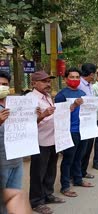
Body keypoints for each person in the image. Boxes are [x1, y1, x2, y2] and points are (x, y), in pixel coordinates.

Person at [27, 71, 65, 214]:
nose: (48, 84)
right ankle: (36, 201)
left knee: (51, 168)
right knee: (38, 172)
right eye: (44, 81)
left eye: (49, 81)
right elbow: (27, 123)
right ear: (33, 83)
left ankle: (48, 194)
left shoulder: (48, 97)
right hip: (39, 141)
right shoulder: (30, 99)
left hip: (53, 139)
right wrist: (43, 115)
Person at [55, 67, 94, 198]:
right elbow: (58, 114)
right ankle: (65, 186)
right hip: (69, 131)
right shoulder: (61, 95)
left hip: (82, 129)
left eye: (77, 77)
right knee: (68, 159)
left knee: (79, 156)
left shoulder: (82, 93)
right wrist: (73, 106)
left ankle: (78, 179)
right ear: (66, 79)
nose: (75, 80)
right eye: (72, 77)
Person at [0, 71, 23, 191]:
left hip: (16, 158)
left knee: (14, 192)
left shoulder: (15, 104)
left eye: (5, 84)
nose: (2, 87)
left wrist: (41, 115)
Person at [79, 63, 97, 180]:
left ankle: (83, 171)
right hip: (82, 121)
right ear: (91, 74)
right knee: (81, 149)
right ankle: (77, 173)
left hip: (90, 120)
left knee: (89, 147)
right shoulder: (80, 85)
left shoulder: (90, 85)